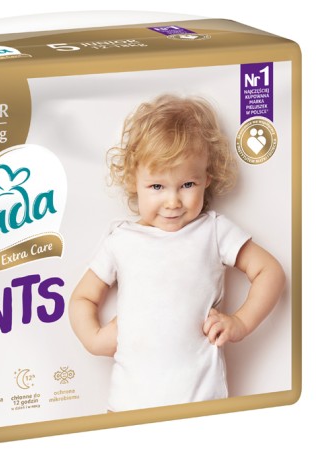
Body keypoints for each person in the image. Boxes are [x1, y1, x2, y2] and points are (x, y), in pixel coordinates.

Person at [69, 95, 285, 412]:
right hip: (128, 405)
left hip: (201, 404)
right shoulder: (121, 239)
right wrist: (94, 339)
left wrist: (240, 322)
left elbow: (270, 272)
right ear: (134, 181)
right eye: (157, 187)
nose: (173, 202)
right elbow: (82, 298)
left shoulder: (213, 231)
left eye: (187, 184)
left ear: (206, 179)